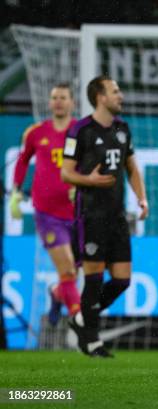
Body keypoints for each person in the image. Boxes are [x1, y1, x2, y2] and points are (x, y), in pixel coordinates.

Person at [61, 75, 149, 358]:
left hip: (116, 216)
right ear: (100, 97)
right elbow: (66, 172)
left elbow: (131, 167)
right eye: (115, 91)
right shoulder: (80, 130)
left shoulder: (123, 128)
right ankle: (93, 340)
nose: (120, 95)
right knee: (94, 279)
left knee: (122, 280)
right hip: (90, 215)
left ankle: (82, 319)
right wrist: (90, 180)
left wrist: (141, 197)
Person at [10, 83, 80, 326]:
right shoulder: (36, 133)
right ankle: (80, 321)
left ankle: (58, 293)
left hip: (78, 212)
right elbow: (21, 161)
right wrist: (16, 192)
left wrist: (82, 186)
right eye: (54, 98)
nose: (58, 101)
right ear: (49, 103)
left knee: (74, 270)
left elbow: (93, 162)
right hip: (47, 213)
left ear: (72, 102)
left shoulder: (80, 132)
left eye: (63, 97)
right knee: (69, 270)